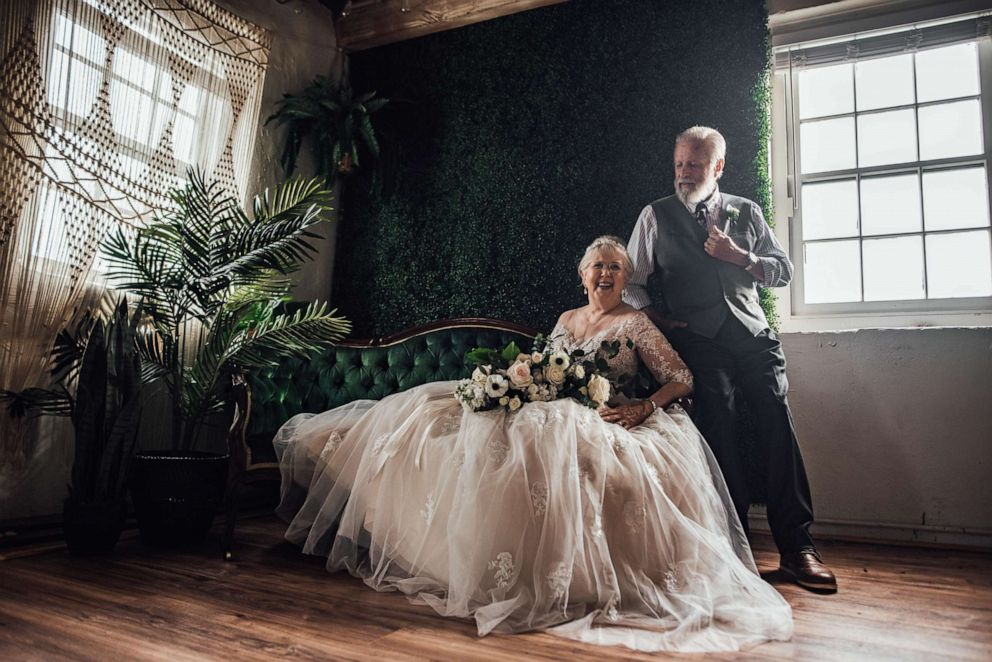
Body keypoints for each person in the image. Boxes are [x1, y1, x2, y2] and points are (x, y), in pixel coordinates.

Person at [272, 236, 793, 653]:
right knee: (440, 422)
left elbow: (682, 378)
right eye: (598, 266)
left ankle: (554, 578)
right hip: (546, 409)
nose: (606, 275)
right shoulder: (566, 320)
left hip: (607, 417)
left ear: (626, 279)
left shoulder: (635, 323)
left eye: (616, 267)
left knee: (557, 454)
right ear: (583, 275)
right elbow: (546, 366)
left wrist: (643, 407)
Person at [624, 125, 836, 592]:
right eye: (679, 163)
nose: (683, 173)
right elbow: (632, 282)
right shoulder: (655, 216)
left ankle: (799, 549)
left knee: (776, 419)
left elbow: (782, 271)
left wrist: (741, 257)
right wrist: (658, 317)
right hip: (699, 340)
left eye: (694, 165)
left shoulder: (747, 211)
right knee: (717, 418)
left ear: (717, 167)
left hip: (754, 334)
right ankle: (732, 545)